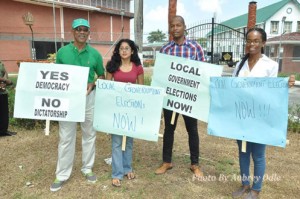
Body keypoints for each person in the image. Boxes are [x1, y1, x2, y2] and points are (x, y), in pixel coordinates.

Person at [231, 27, 295, 199]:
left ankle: (256, 189)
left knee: (258, 154)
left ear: (263, 43)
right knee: (243, 151)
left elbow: (272, 91)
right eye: (249, 40)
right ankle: (245, 185)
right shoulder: (240, 64)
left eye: (256, 41)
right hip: (242, 116)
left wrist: (285, 83)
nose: (252, 44)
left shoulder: (271, 65)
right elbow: (232, 89)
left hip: (260, 117)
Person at [50, 18, 105, 192]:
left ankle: (87, 168)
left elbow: (102, 76)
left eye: (85, 29)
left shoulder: (95, 54)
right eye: (78, 29)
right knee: (66, 137)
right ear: (73, 32)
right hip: (68, 100)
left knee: (89, 134)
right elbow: (55, 77)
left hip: (89, 98)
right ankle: (62, 174)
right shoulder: (62, 52)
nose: (82, 32)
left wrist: (94, 83)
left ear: (89, 33)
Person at [154, 15, 205, 177]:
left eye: (178, 25)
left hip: (189, 97)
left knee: (192, 130)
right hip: (171, 97)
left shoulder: (195, 47)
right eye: (172, 25)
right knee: (169, 128)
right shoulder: (165, 49)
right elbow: (161, 74)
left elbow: (202, 71)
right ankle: (167, 161)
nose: (175, 28)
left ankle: (195, 164)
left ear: (184, 27)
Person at [106, 39, 144, 187]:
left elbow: (142, 89)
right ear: (118, 51)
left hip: (132, 109)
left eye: (127, 48)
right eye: (121, 48)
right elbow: (107, 88)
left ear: (132, 51)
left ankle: (127, 168)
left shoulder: (138, 68)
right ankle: (117, 173)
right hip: (116, 108)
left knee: (128, 141)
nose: (124, 51)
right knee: (116, 141)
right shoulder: (112, 66)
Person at [0, 60, 17, 137]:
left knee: (4, 112)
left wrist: (5, 82)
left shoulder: (1, 63)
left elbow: (5, 73)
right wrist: (5, 80)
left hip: (2, 91)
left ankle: (4, 130)